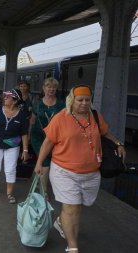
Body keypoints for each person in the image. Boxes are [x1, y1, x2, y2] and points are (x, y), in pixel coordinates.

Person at [34, 85, 126, 253]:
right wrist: (39, 163)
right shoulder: (61, 118)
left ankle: (61, 222)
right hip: (64, 171)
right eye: (80, 100)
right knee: (72, 208)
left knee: (78, 206)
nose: (84, 103)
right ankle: (72, 246)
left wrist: (118, 143)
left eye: (87, 100)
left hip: (91, 173)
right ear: (72, 100)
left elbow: (105, 133)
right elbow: (48, 142)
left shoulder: (96, 116)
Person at [29, 77, 65, 196]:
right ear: (44, 88)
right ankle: (44, 191)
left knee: (48, 161)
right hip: (38, 136)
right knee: (45, 161)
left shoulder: (62, 104)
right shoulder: (37, 104)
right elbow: (32, 120)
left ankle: (40, 179)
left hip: (54, 137)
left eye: (54, 87)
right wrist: (28, 137)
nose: (51, 89)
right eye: (49, 86)